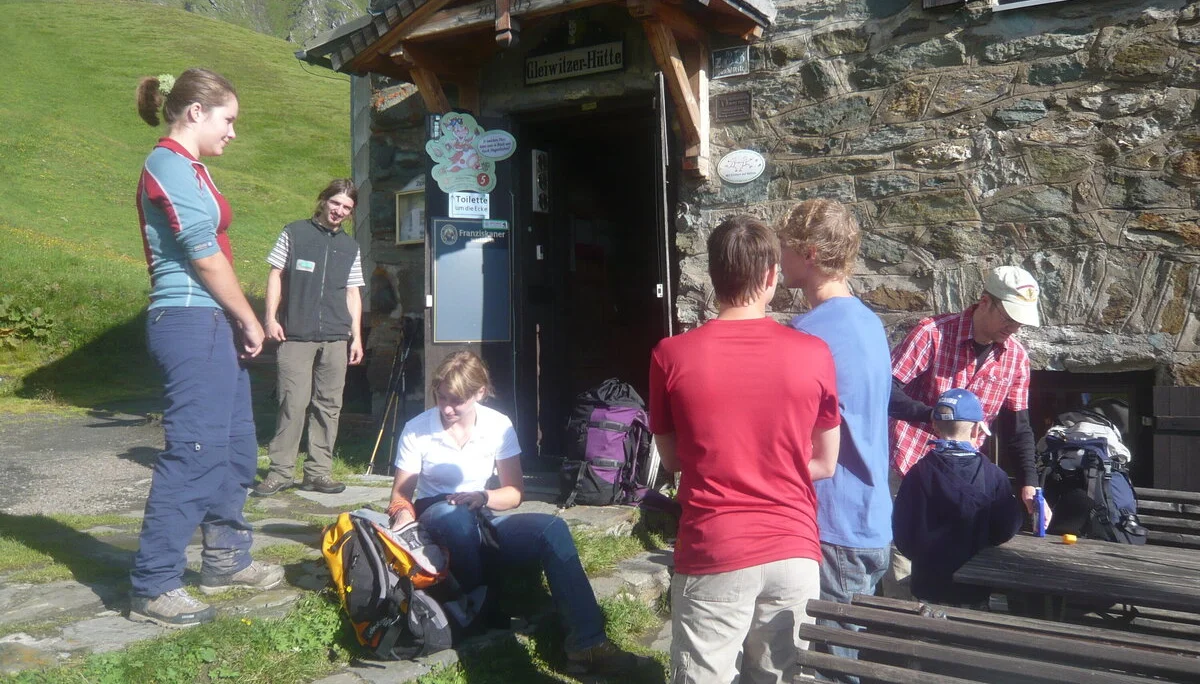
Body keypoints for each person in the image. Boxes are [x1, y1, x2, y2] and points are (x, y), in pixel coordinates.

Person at [649, 215, 841, 684]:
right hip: (793, 548)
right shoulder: (814, 352)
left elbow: (673, 461)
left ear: (713, 277)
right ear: (772, 275)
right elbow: (825, 462)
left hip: (714, 546)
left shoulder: (670, 355)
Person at [129, 68, 283, 627]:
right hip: (187, 321)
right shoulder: (166, 163)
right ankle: (154, 584)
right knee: (194, 452)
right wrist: (250, 318)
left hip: (212, 321)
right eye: (229, 120)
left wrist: (235, 319)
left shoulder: (192, 169)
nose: (233, 133)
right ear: (195, 112)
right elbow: (202, 256)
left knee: (237, 445)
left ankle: (225, 558)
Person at [385, 351, 642, 675]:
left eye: (456, 401)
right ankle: (480, 610)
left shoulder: (497, 425)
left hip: (483, 513)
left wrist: (483, 495)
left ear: (479, 394)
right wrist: (402, 516)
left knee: (552, 529)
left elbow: (514, 493)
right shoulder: (417, 428)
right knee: (455, 519)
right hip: (437, 515)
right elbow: (400, 495)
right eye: (441, 397)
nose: (446, 408)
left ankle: (587, 644)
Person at [885, 265, 1049, 598]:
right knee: (904, 565)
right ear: (985, 301)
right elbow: (884, 390)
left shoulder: (1016, 358)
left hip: (964, 481)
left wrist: (1030, 483)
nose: (1014, 327)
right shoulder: (932, 333)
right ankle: (902, 641)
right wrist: (933, 416)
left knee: (960, 574)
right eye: (1009, 317)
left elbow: (1018, 427)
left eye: (1020, 321)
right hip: (910, 468)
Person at [778, 200, 891, 670]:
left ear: (808, 252)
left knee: (831, 671)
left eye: (782, 249)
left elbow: (787, 434)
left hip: (834, 525)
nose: (776, 261)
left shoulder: (809, 335)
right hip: (870, 521)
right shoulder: (870, 323)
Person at [252, 179, 365, 496]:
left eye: (347, 208)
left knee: (329, 406)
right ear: (324, 200)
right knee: (293, 403)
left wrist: (355, 337)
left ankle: (318, 473)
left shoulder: (350, 247)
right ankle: (280, 473)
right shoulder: (294, 233)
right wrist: (270, 318)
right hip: (296, 334)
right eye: (336, 203)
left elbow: (353, 293)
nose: (339, 211)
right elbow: (275, 274)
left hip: (336, 337)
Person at [892, 388, 1024, 606]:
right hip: (974, 587)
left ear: (934, 426)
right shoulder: (993, 476)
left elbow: (903, 534)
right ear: (976, 430)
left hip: (929, 585)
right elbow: (1006, 528)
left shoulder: (916, 474)